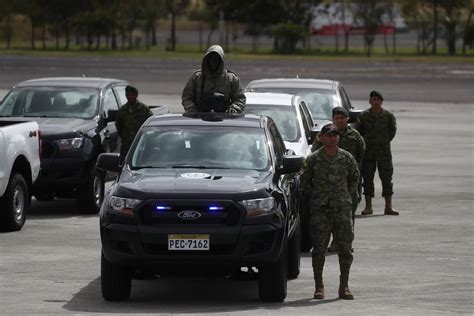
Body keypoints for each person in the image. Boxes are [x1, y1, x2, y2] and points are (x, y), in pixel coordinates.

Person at [301, 123, 360, 300]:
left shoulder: (347, 158)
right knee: (319, 249)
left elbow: (355, 179)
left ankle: (344, 286)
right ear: (322, 138)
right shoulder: (313, 159)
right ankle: (319, 286)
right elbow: (305, 181)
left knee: (345, 249)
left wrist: (347, 199)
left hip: (342, 209)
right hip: (321, 210)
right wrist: (317, 197)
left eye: (335, 135)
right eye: (329, 135)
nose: (332, 138)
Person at [312, 107, 365, 252]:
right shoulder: (324, 135)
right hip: (328, 183)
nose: (340, 120)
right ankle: (335, 241)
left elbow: (361, 154)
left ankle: (346, 242)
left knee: (349, 212)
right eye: (337, 118)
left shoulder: (355, 136)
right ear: (333, 119)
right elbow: (315, 151)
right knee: (332, 212)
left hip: (349, 181)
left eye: (343, 118)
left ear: (347, 119)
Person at [355, 90, 398, 216]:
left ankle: (388, 207)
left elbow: (392, 131)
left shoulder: (388, 116)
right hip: (368, 153)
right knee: (367, 179)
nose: (376, 102)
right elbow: (359, 132)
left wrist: (383, 141)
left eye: (378, 100)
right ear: (370, 101)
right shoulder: (363, 116)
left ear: (381, 101)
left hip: (384, 153)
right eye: (373, 100)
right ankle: (368, 207)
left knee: (387, 179)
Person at [181, 45, 246, 113]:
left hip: (224, 118)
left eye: (217, 59)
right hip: (199, 117)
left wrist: (234, 108)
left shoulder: (231, 79)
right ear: (207, 60)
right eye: (212, 59)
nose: (214, 62)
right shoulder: (197, 77)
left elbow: (240, 98)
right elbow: (187, 96)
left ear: (221, 61)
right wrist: (190, 106)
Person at [115, 85, 153, 162]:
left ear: (136, 95)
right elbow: (118, 125)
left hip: (141, 143)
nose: (130, 97)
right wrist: (125, 136)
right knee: (124, 162)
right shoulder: (122, 110)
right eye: (128, 95)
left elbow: (150, 123)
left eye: (132, 95)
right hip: (126, 144)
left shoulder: (144, 109)